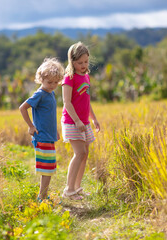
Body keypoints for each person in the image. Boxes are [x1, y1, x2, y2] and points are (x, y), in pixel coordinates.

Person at [19, 57, 64, 201]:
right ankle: (42, 196)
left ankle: (43, 195)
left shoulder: (51, 93)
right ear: (41, 79)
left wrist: (55, 130)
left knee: (49, 168)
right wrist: (30, 126)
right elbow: (23, 108)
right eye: (49, 82)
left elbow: (49, 115)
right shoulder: (40, 94)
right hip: (41, 136)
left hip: (48, 135)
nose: (52, 85)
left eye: (55, 82)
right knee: (47, 168)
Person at [61, 42, 100, 200]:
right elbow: (67, 102)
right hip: (72, 122)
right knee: (80, 153)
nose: (83, 65)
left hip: (84, 122)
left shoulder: (86, 76)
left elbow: (86, 101)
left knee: (85, 154)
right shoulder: (69, 78)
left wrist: (94, 119)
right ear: (72, 61)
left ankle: (77, 188)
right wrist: (77, 121)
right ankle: (69, 190)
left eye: (85, 62)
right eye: (79, 63)